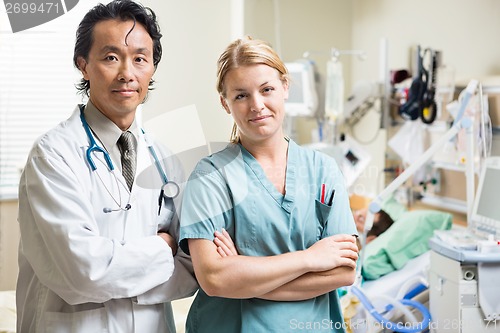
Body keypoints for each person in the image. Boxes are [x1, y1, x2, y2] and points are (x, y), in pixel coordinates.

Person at [16, 1, 197, 332]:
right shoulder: (53, 155)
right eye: (111, 57)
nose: (127, 73)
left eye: (140, 59)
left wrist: (120, 269)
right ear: (83, 65)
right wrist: (162, 246)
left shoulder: (165, 159)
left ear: (152, 68)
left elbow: (193, 266)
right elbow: (84, 272)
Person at [179, 36, 359, 333]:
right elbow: (214, 279)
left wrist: (244, 277)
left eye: (267, 90)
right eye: (241, 95)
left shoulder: (323, 169)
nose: (257, 105)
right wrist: (309, 258)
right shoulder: (211, 176)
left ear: (285, 87)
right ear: (225, 103)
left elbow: (343, 272)